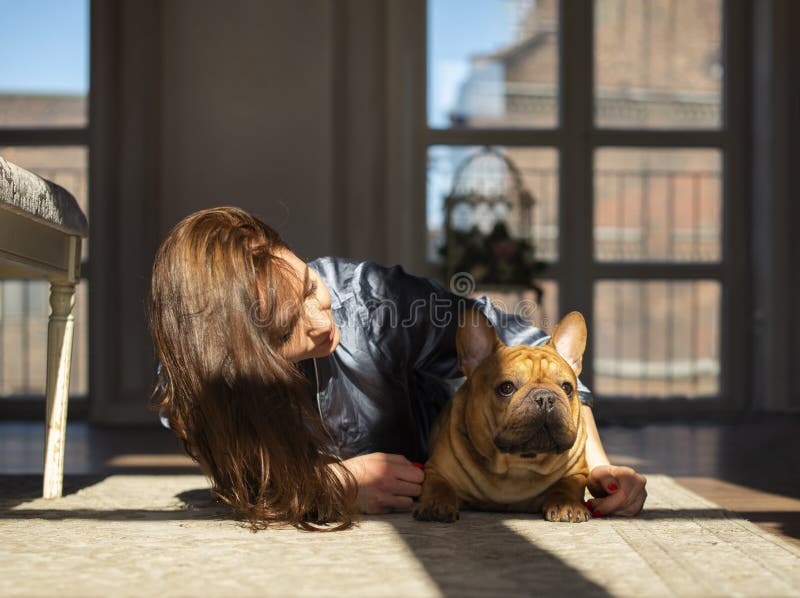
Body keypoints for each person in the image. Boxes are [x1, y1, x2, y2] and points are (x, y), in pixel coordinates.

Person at [149, 206, 647, 531]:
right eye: (286, 330)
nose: (322, 321)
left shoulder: (374, 304)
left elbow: (535, 350)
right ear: (236, 357)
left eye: (308, 286)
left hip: (457, 461)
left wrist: (597, 467)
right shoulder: (200, 392)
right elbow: (243, 482)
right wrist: (336, 485)